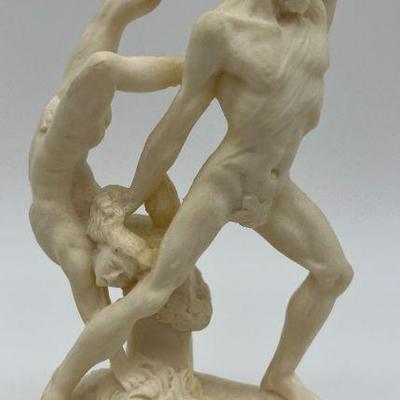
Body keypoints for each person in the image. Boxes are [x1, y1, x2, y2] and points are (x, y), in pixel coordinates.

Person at [42, 1, 353, 400]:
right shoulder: (220, 30)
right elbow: (178, 122)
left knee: (334, 274)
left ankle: (281, 375)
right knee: (152, 293)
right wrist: (135, 194)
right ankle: (60, 383)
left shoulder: (315, 14)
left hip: (275, 188)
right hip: (228, 181)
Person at [29, 0, 182, 390]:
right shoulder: (72, 242)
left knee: (112, 19)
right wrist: (188, 71)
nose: (114, 281)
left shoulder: (87, 217)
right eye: (122, 274)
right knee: (101, 62)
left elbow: (105, 38)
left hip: (66, 172)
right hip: (57, 186)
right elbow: (96, 311)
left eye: (119, 275)